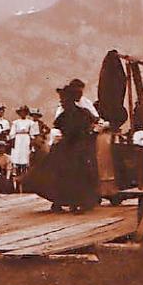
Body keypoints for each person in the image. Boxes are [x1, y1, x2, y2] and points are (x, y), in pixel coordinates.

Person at [22, 84, 99, 213]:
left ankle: (73, 202)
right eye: (61, 100)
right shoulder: (68, 115)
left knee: (72, 172)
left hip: (76, 147)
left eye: (64, 99)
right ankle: (61, 201)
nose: (62, 102)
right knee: (57, 171)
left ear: (70, 99)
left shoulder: (81, 113)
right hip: (69, 147)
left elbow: (87, 128)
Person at [9, 105, 35, 188]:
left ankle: (25, 184)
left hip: (26, 140)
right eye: (21, 112)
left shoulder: (30, 122)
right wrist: (12, 144)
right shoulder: (15, 122)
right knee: (17, 161)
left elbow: (33, 134)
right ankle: (17, 184)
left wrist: (32, 144)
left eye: (24, 112)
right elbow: (12, 134)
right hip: (18, 140)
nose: (22, 113)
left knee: (25, 161)